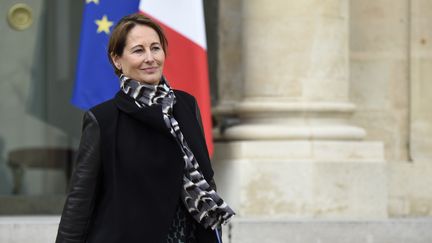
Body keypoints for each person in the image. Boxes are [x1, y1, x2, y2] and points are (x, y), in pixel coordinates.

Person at [55, 13, 234, 243]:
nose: (150, 58)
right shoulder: (103, 119)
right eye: (138, 50)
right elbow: (80, 200)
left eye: (155, 48)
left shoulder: (186, 105)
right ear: (117, 60)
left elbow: (206, 179)